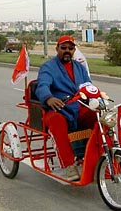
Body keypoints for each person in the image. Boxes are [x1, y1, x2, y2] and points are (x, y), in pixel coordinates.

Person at [35, 35, 96, 181]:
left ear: (74, 50)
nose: (67, 51)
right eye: (63, 48)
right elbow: (42, 85)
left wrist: (96, 97)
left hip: (78, 107)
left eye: (70, 48)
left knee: (99, 117)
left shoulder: (79, 68)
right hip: (57, 108)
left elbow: (88, 86)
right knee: (57, 122)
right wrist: (49, 98)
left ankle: (100, 155)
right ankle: (69, 164)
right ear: (57, 49)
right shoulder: (48, 67)